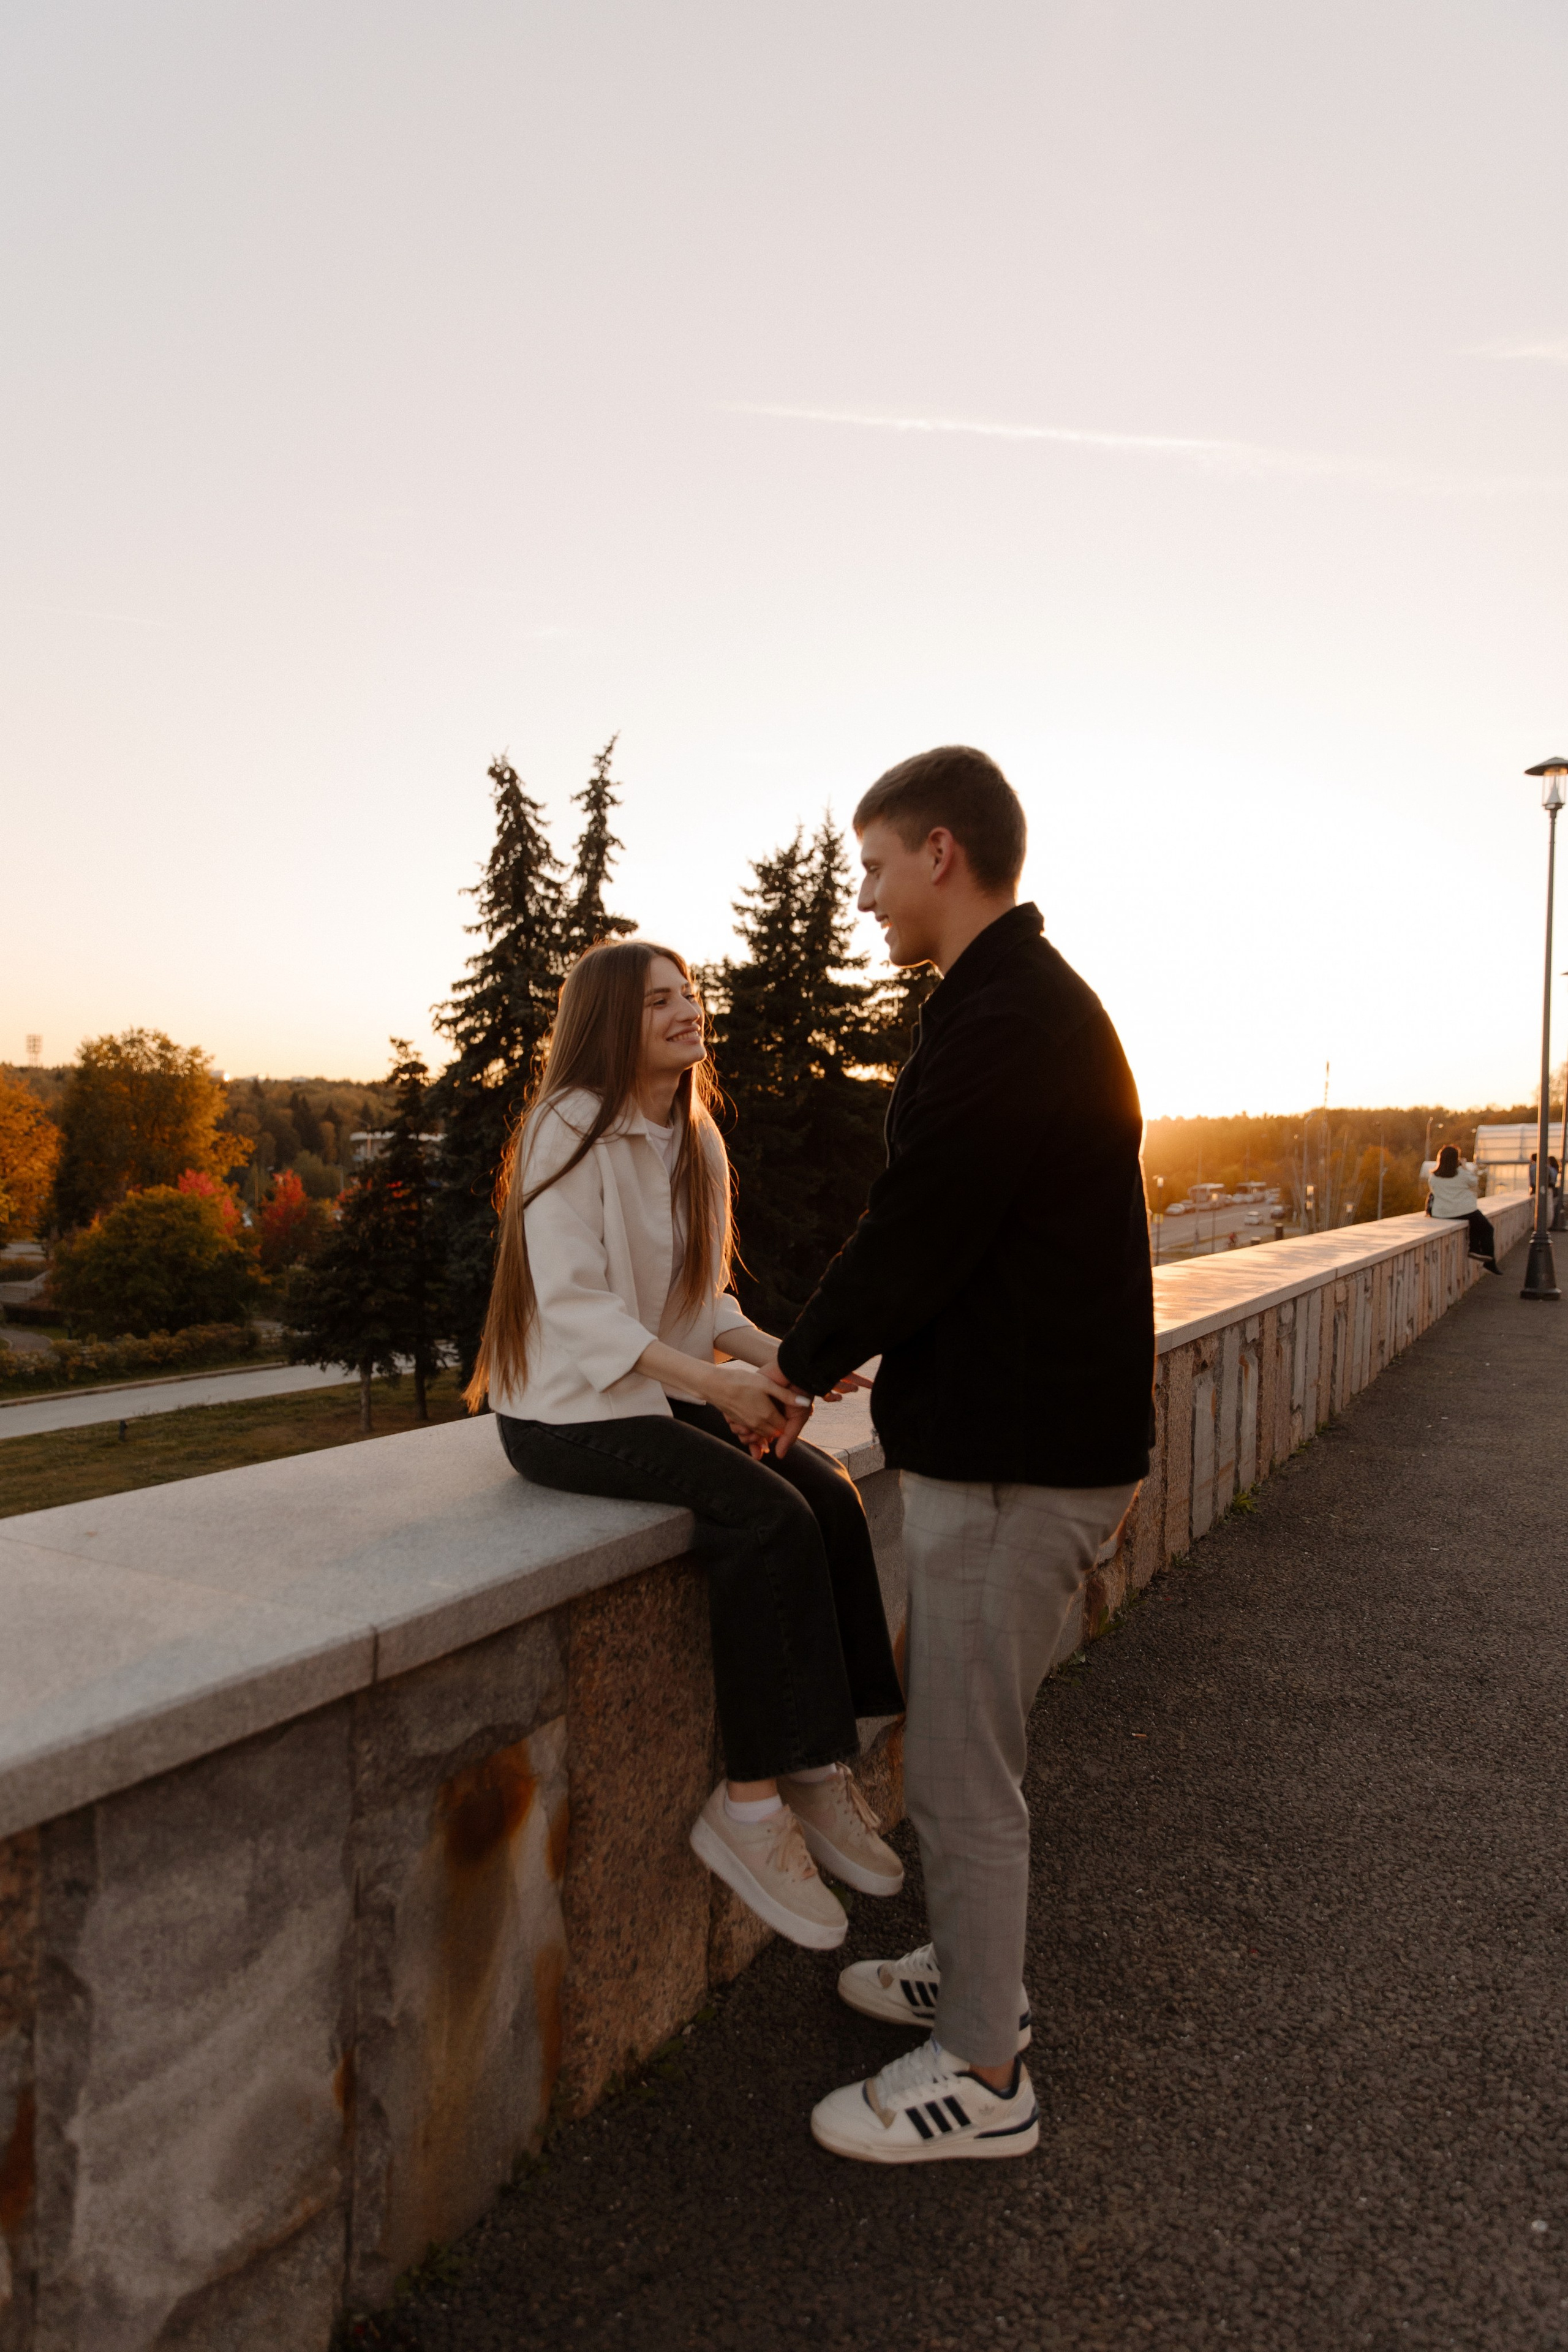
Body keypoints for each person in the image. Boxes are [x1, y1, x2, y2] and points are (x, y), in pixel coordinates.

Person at [767, 745, 1155, 2165]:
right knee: (958, 1748)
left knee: (959, 1772)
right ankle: (969, 1969)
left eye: (873, 866)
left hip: (1015, 1464)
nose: (862, 895)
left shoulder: (1005, 1018)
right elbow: (970, 1240)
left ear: (940, 852)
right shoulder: (1004, 1004)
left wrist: (793, 1373)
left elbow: (918, 1219)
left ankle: (983, 2073)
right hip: (1017, 1440)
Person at [467, 937, 907, 1951]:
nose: (687, 1009)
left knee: (831, 1494)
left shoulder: (693, 1137)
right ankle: (748, 1810)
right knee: (766, 1518)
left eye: (691, 993)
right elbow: (576, 1310)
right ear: (611, 1021)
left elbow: (699, 1298)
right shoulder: (565, 1129)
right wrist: (716, 1386)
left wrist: (784, 1358)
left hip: (657, 1399)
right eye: (659, 999)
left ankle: (817, 1768)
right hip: (568, 1417)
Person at [1428, 1144, 1500, 1273]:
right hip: (1464, 1211)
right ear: (1456, 1159)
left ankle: (1475, 1250)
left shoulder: (1434, 1177)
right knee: (1487, 1228)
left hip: (1442, 1213)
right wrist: (1465, 1166)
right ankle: (1486, 1259)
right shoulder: (1461, 1174)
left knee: (1475, 1221)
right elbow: (1474, 1182)